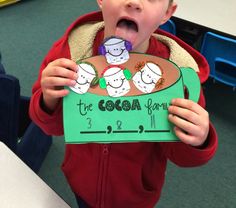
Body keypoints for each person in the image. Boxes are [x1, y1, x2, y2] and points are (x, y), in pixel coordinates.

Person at [29, 0, 218, 207]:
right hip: (82, 183)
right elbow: (51, 126)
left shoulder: (177, 77)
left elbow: (181, 156)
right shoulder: (71, 53)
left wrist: (198, 138)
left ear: (167, 13)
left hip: (135, 197)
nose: (134, 2)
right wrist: (49, 99)